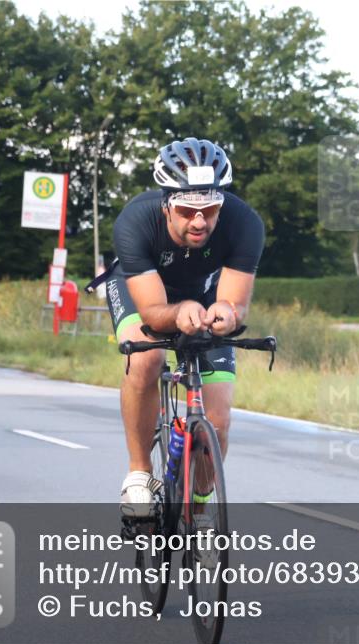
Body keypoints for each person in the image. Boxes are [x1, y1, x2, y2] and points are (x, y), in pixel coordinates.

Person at [103, 137, 264, 516]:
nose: (199, 221)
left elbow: (233, 301)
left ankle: (200, 508)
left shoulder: (245, 224)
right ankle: (140, 474)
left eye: (209, 210)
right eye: (188, 210)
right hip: (141, 293)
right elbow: (153, 311)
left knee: (219, 422)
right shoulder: (135, 222)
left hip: (203, 297)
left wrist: (227, 314)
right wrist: (178, 315)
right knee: (147, 359)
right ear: (166, 204)